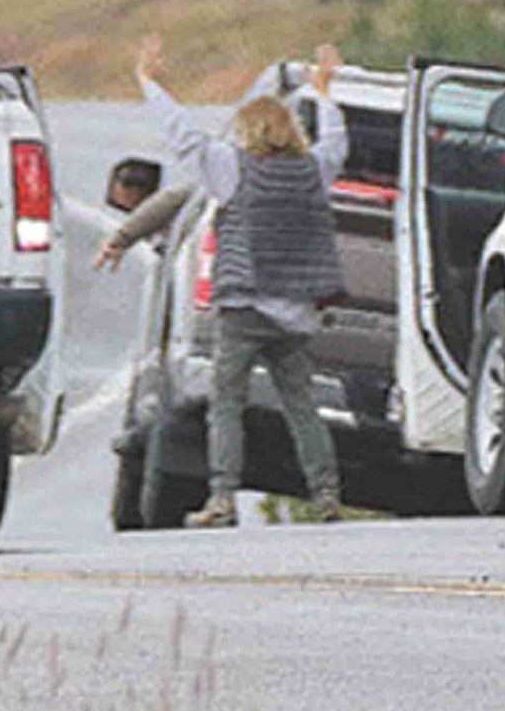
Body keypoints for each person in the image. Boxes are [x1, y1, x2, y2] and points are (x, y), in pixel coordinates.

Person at [136, 37, 349, 527]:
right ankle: (326, 495)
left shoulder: (232, 167)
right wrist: (323, 93)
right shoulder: (313, 170)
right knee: (302, 407)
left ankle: (222, 499)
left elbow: (183, 135)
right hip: (297, 312)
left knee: (226, 405)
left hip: (245, 308)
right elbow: (337, 143)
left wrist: (150, 84)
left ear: (248, 130)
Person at [94, 180, 198, 271]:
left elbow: (170, 200)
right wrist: (119, 240)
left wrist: (120, 239)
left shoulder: (201, 196)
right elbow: (168, 202)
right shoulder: (199, 194)